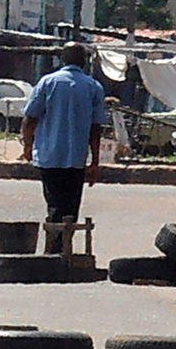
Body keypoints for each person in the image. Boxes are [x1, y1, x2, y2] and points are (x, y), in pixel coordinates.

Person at [20, 42, 107, 253]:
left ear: (63, 60)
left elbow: (30, 118)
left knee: (54, 203)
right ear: (84, 62)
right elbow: (96, 129)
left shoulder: (47, 82)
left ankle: (55, 249)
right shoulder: (93, 87)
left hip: (49, 157)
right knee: (70, 207)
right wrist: (95, 162)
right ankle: (61, 248)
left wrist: (27, 146)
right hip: (76, 159)